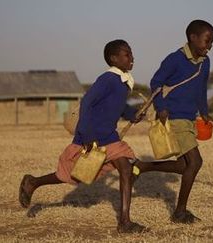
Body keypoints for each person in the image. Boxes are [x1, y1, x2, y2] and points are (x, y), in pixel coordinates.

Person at [18, 39, 146, 233]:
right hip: (92, 136)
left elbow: (118, 107)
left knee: (126, 170)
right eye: (127, 54)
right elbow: (87, 103)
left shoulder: (123, 82)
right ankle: (33, 182)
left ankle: (124, 222)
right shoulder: (108, 79)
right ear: (114, 58)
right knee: (70, 176)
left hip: (110, 138)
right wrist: (86, 134)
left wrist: (132, 114)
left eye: (131, 53)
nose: (132, 57)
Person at [134, 19, 213, 224]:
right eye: (207, 40)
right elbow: (156, 82)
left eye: (212, 41)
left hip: (189, 118)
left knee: (182, 165)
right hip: (174, 117)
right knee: (195, 163)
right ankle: (180, 212)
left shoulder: (205, 63)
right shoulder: (175, 59)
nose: (210, 45)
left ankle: (143, 166)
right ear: (193, 38)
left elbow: (201, 90)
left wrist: (204, 112)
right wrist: (160, 107)